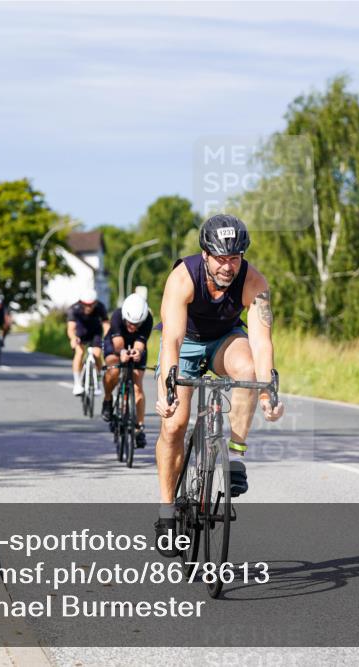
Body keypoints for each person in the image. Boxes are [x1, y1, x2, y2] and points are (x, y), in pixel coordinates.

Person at [153, 214, 284, 552]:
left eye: (235, 258)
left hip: (225, 339)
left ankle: (236, 454)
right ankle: (167, 511)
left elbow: (261, 342)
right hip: (186, 342)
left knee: (248, 370)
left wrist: (269, 391)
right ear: (206, 255)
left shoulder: (254, 282)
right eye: (221, 259)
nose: (229, 267)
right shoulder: (183, 277)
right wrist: (167, 389)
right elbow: (172, 341)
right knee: (174, 424)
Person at [101, 293, 153, 447]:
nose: (133, 327)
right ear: (124, 317)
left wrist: (137, 353)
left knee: (137, 384)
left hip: (135, 345)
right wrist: (122, 353)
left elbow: (140, 343)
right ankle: (108, 398)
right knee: (113, 370)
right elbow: (118, 344)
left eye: (137, 324)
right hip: (116, 343)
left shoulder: (148, 319)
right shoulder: (117, 316)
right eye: (130, 323)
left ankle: (139, 428)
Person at [66, 288, 109, 396]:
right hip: (80, 334)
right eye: (86, 304)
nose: (88, 307)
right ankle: (77, 383)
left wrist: (108, 337)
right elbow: (71, 328)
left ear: (95, 303)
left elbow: (106, 324)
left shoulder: (100, 307)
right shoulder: (74, 308)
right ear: (81, 303)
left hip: (95, 333)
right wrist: (73, 338)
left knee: (97, 354)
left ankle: (97, 380)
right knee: (79, 353)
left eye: (91, 304)